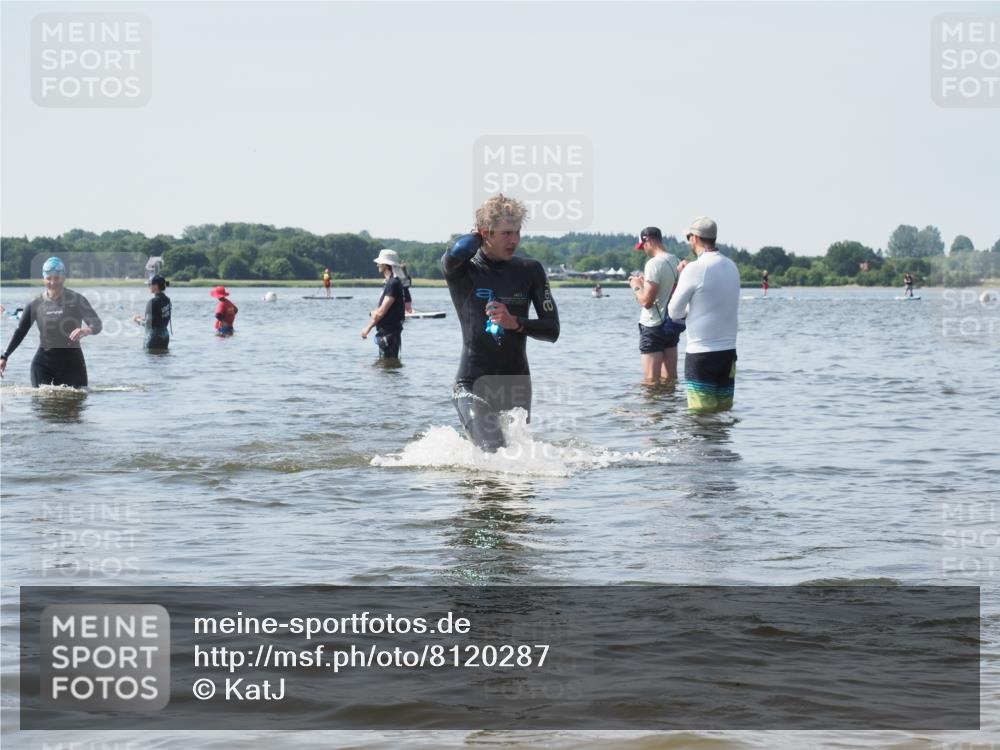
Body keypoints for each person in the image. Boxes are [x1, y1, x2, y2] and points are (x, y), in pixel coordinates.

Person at [442, 193, 560, 452]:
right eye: (506, 233)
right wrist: (476, 235)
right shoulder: (463, 270)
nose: (515, 240)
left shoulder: (530, 270)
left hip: (516, 384)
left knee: (518, 462)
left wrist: (515, 322)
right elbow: (456, 252)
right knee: (494, 451)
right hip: (472, 383)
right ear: (485, 233)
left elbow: (552, 330)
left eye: (517, 231)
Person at [667, 217, 740, 412]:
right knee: (722, 416)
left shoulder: (694, 268)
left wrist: (683, 276)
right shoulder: (732, 266)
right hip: (728, 353)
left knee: (701, 418)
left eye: (689, 236)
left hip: (702, 354)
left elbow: (674, 312)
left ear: (696, 238)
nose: (689, 241)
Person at [0, 256, 102, 387]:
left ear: (63, 277)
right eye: (49, 278)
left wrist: (86, 330)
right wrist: (5, 356)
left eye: (56, 278)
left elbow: (97, 324)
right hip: (43, 365)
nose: (53, 282)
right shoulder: (36, 303)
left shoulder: (77, 300)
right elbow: (20, 331)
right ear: (44, 278)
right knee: (43, 403)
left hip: (73, 366)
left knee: (76, 402)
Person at [628, 226, 682, 384]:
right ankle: (669, 408)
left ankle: (651, 408)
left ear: (648, 241)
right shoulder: (676, 261)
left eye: (643, 246)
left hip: (652, 326)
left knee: (651, 382)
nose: (643, 250)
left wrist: (636, 285)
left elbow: (646, 302)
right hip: (671, 325)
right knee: (670, 380)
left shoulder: (653, 264)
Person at [361, 249, 405, 360]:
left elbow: (382, 312)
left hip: (390, 334)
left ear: (386, 265)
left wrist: (367, 329)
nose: (377, 265)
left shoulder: (393, 283)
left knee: (387, 370)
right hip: (386, 333)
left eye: (379, 262)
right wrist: (373, 312)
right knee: (386, 368)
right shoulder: (389, 283)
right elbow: (383, 309)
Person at [133, 275, 172, 351]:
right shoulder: (167, 300)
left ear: (156, 286)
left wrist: (137, 320)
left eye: (149, 284)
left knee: (151, 361)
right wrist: (143, 319)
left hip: (154, 338)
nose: (149, 287)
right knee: (163, 360)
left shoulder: (152, 302)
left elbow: (148, 324)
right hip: (165, 336)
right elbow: (158, 319)